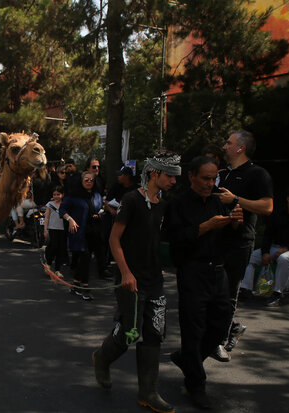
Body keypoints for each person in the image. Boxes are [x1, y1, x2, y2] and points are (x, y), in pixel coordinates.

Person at [92, 150, 181, 413]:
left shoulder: (164, 202)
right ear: (155, 174)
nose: (174, 181)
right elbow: (114, 240)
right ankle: (102, 359)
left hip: (154, 279)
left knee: (154, 334)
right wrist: (126, 273)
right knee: (129, 333)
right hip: (130, 278)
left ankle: (149, 393)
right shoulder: (131, 200)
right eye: (170, 176)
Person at [166, 156, 243, 409]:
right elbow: (175, 239)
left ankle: (189, 360)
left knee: (221, 325)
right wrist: (205, 227)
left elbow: (228, 238)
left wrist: (234, 224)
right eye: (205, 179)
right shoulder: (178, 204)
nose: (210, 184)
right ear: (192, 177)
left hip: (218, 271)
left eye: (213, 179)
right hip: (192, 271)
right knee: (193, 329)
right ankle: (196, 384)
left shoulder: (218, 201)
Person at [214, 130, 273, 360]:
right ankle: (232, 327)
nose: (225, 146)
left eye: (229, 143)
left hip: (239, 242)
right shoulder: (223, 174)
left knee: (229, 292)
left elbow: (267, 207)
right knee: (213, 290)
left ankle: (219, 341)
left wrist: (236, 200)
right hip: (217, 237)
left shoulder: (258, 174)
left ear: (241, 148)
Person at [239, 186, 289, 306]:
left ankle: (277, 293)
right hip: (276, 247)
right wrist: (265, 252)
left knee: (285, 258)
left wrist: (287, 248)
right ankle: (246, 289)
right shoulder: (278, 214)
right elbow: (268, 235)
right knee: (250, 256)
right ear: (288, 199)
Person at [59, 170, 103, 301]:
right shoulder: (74, 196)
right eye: (86, 179)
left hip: (93, 230)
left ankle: (75, 284)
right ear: (81, 181)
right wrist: (70, 219)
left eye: (91, 180)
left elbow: (98, 209)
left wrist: (97, 214)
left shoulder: (97, 195)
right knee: (85, 257)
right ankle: (85, 287)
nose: (89, 182)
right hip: (79, 231)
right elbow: (62, 209)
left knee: (86, 258)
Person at [44, 186, 68, 273]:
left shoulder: (65, 204)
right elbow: (46, 218)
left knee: (61, 249)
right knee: (53, 246)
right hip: (52, 228)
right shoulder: (50, 204)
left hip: (63, 229)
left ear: (62, 195)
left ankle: (58, 269)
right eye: (54, 194)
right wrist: (45, 229)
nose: (56, 196)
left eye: (58, 194)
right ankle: (48, 263)